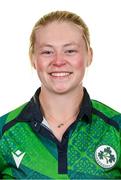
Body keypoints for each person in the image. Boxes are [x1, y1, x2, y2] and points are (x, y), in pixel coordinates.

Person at [0, 10, 121, 179]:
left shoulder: (116, 128)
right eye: (47, 52)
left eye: (70, 51)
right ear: (33, 59)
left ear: (89, 56)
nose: (58, 61)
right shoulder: (4, 131)